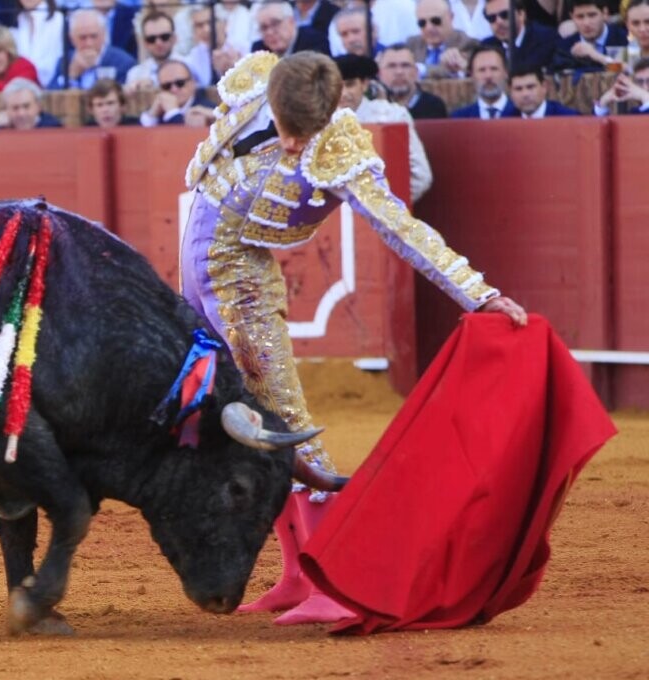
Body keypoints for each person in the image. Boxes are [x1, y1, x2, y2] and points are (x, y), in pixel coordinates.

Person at [180, 50, 526, 626]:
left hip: (240, 283)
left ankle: (334, 584)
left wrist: (479, 294)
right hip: (196, 268)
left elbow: (401, 227)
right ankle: (295, 575)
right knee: (252, 428)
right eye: (291, 132)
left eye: (304, 135)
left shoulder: (340, 144)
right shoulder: (252, 81)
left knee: (286, 422)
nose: (295, 146)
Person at [335, 53, 433, 202]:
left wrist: (389, 207)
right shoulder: (321, 121)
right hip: (338, 219)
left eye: (349, 84)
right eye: (337, 86)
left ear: (364, 84)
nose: (343, 93)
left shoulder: (392, 116)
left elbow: (421, 175)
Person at [506, 64, 580, 116]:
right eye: (518, 89)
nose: (525, 94)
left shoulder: (568, 118)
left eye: (530, 87)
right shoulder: (505, 121)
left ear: (544, 87)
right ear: (510, 92)